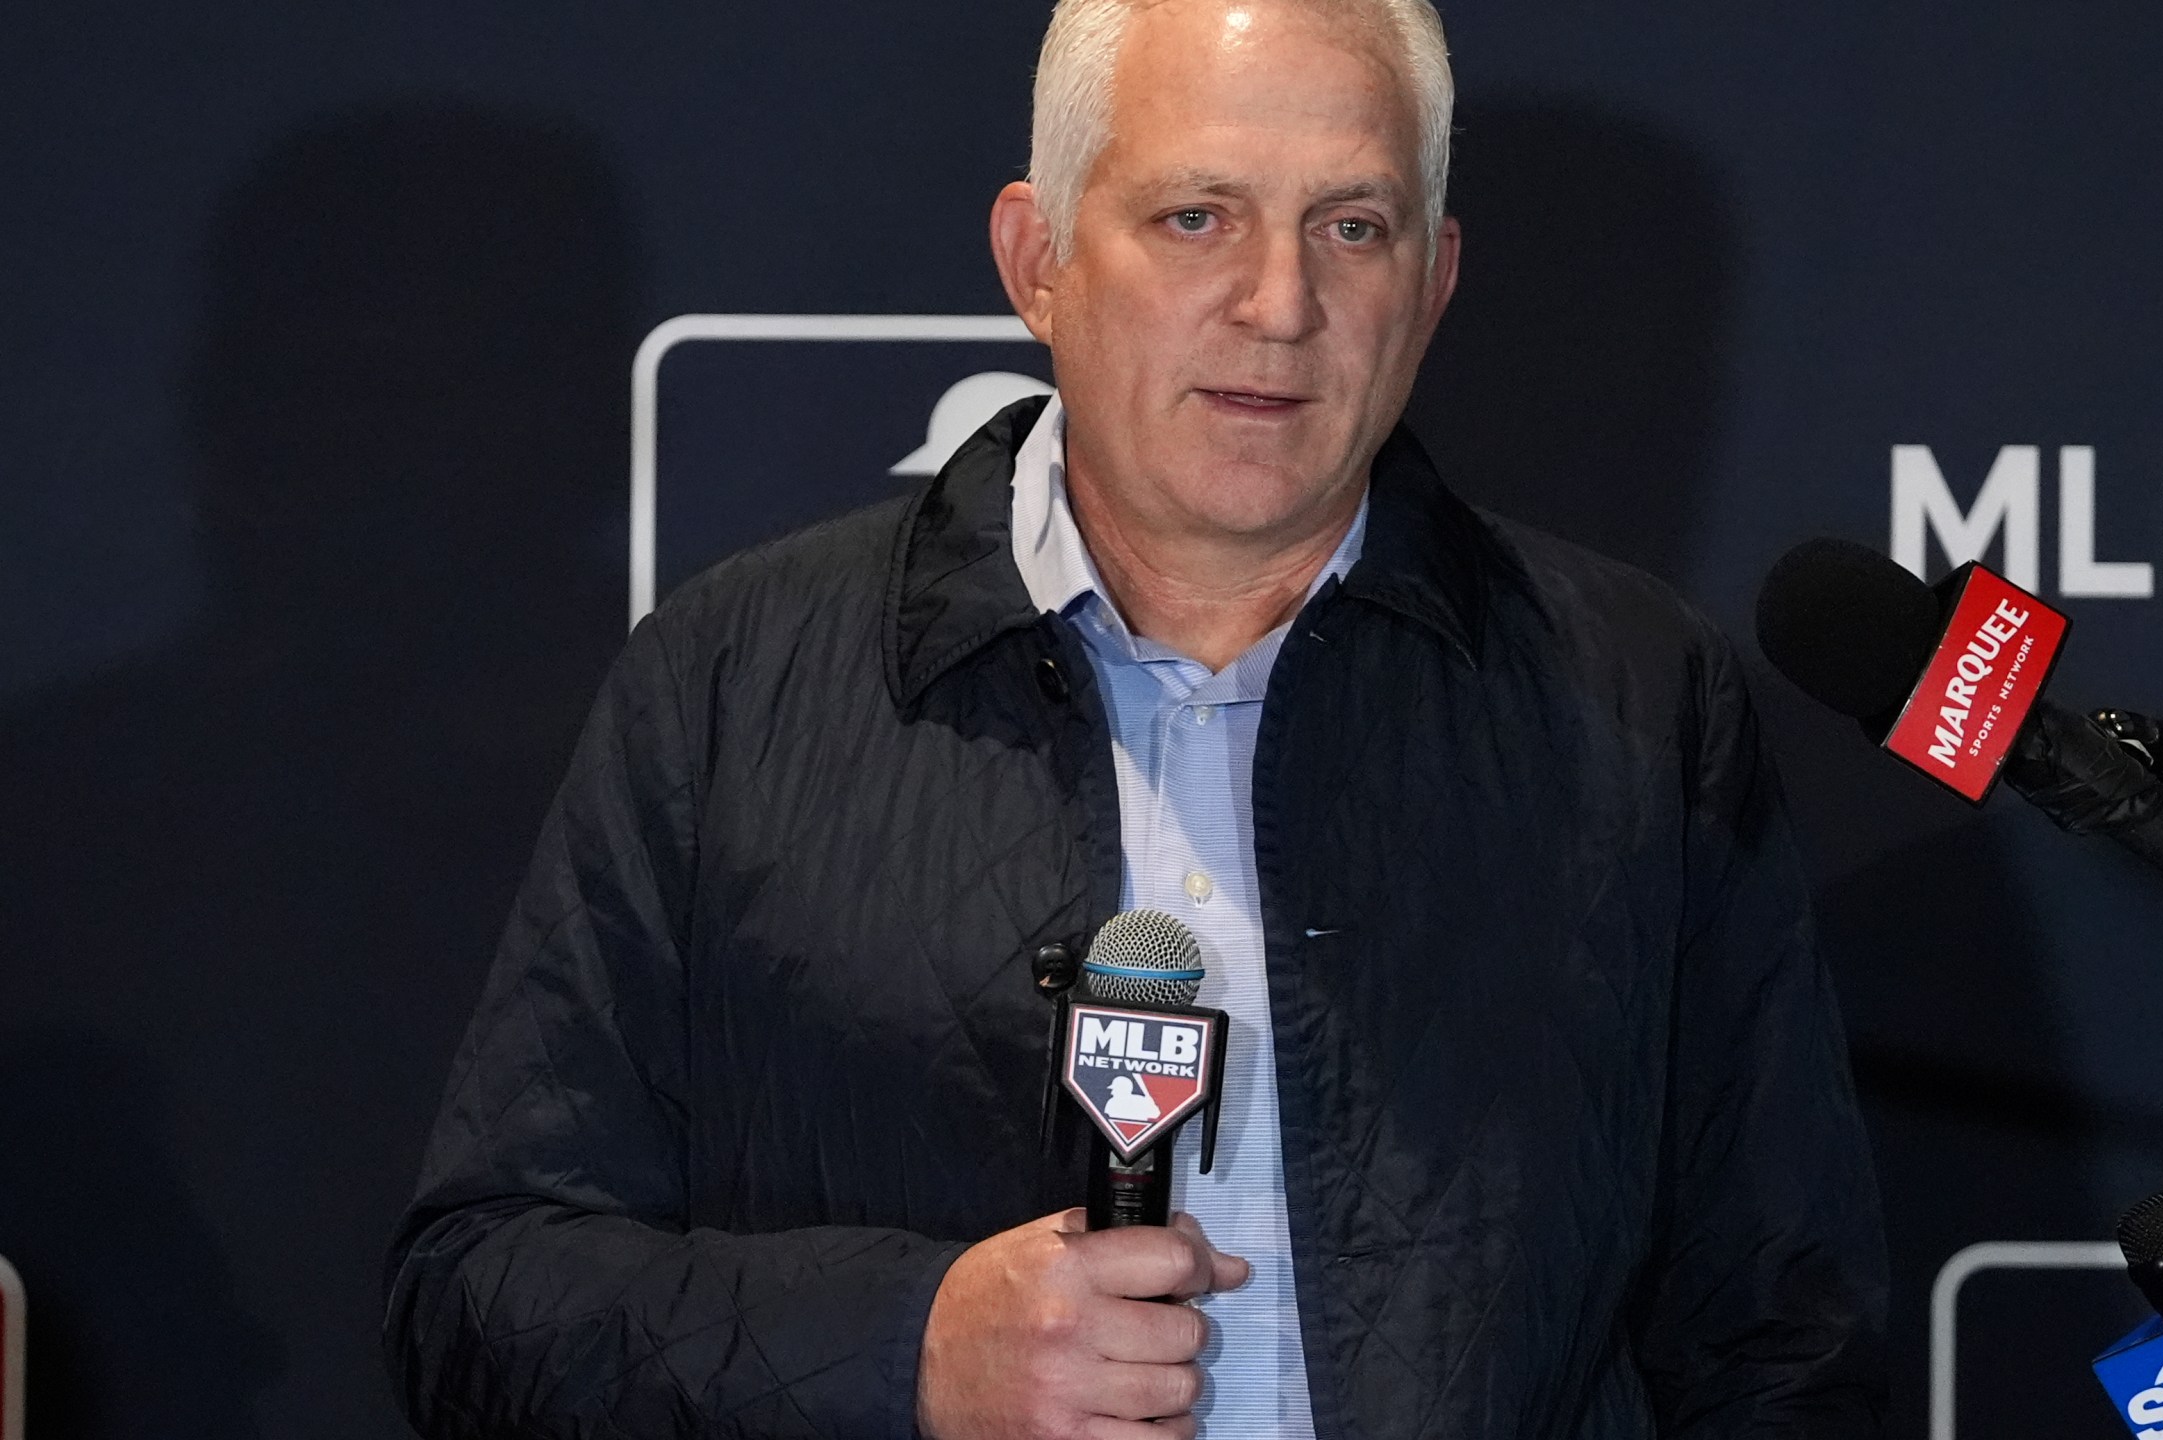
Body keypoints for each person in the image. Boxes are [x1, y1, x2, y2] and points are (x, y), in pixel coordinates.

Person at [384, 0, 1887, 1435]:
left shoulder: (1637, 697)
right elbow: (483, 1300)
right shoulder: (730, 682)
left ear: (1432, 284)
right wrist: (907, 1350)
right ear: (1036, 258)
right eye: (1197, 218)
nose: (1280, 304)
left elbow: (1781, 1340)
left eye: (1351, 227)